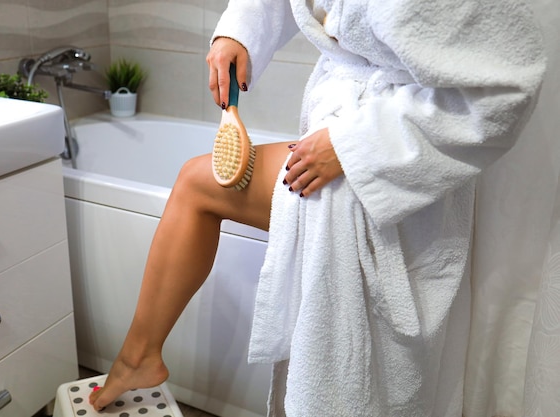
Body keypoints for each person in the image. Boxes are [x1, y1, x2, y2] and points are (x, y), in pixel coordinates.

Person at [90, 0, 546, 415]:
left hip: (386, 160)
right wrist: (239, 33)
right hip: (343, 138)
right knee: (196, 184)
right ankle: (139, 356)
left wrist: (355, 145)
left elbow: (507, 87)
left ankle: (138, 357)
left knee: (196, 184)